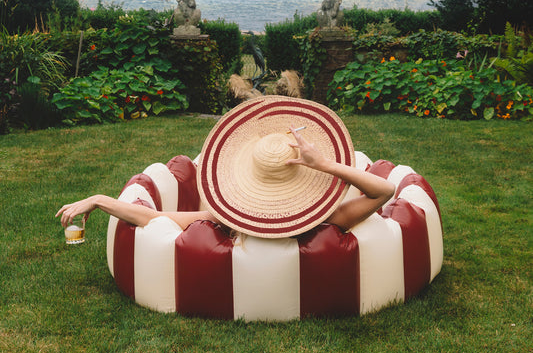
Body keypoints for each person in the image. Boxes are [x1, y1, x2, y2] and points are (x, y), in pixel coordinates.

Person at [56, 118, 395, 236]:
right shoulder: (329, 221)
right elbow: (384, 191)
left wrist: (99, 199)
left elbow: (153, 219)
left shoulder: (229, 222)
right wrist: (324, 165)